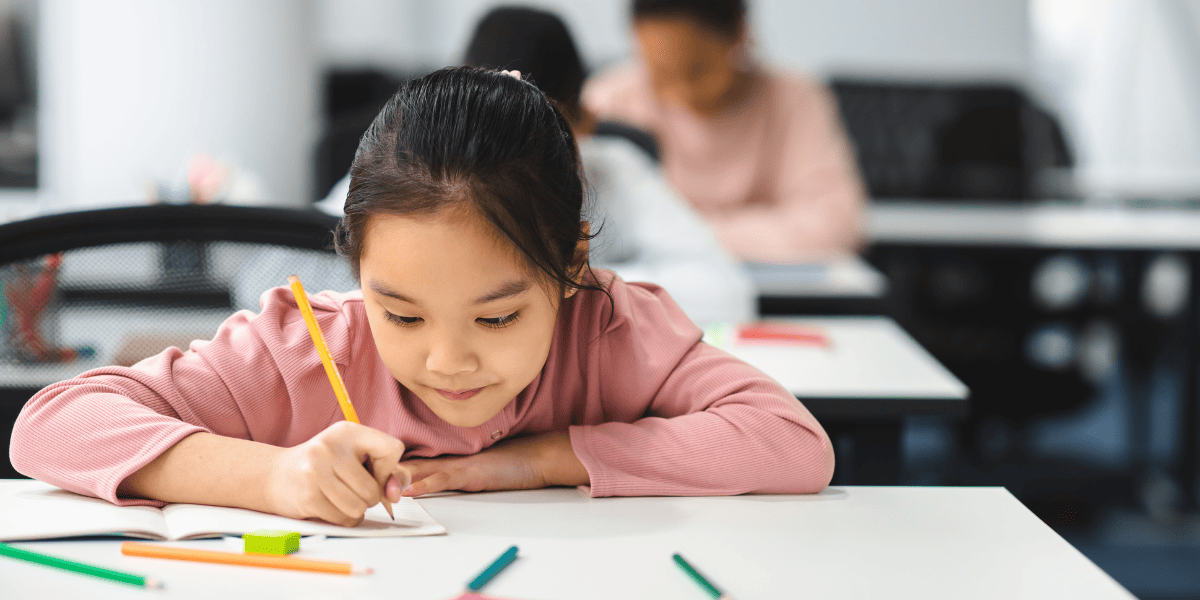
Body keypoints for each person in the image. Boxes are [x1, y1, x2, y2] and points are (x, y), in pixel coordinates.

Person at [11, 67, 834, 527]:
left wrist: (544, 459)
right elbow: (52, 426)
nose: (448, 361)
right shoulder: (308, 348)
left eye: (498, 315)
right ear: (355, 269)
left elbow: (792, 444)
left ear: (572, 266)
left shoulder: (614, 326)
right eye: (401, 313)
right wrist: (275, 478)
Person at [318, 6, 754, 328]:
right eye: (488, 136)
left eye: (550, 137)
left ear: (587, 121)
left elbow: (726, 294)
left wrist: (554, 278)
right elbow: (296, 259)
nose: (517, 161)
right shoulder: (413, 165)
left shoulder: (617, 170)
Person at [584, 0, 867, 263]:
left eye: (697, 71)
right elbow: (587, 225)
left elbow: (837, 224)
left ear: (740, 34)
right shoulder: (608, 102)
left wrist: (680, 234)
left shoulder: (794, 100)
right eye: (659, 73)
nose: (680, 92)